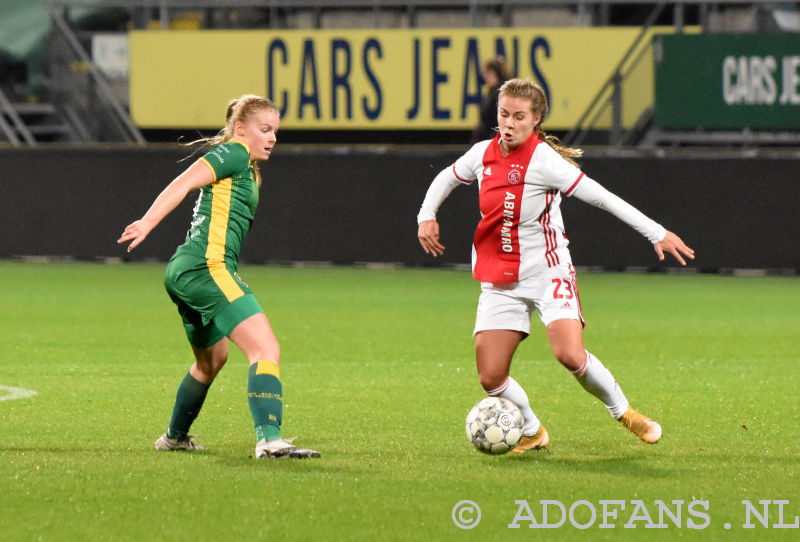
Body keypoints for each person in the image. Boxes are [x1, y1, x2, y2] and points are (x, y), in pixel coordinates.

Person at [417, 79, 694, 453]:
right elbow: (446, 178)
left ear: (536, 119)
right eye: (504, 115)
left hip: (548, 272)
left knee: (569, 354)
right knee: (491, 377)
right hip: (499, 278)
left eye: (519, 116)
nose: (509, 124)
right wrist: (426, 215)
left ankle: (625, 412)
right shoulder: (482, 154)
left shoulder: (544, 161)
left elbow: (602, 198)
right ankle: (532, 431)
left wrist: (656, 232)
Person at [117, 95, 319, 459]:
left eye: (275, 130)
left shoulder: (246, 166)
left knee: (210, 361)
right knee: (265, 348)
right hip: (206, 267)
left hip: (186, 271)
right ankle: (269, 439)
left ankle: (174, 437)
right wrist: (147, 222)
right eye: (264, 129)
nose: (272, 137)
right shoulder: (236, 152)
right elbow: (184, 181)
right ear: (240, 129)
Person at [470, 56, 511, 144]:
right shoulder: (492, 91)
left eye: (486, 74)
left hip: (496, 135)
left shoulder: (501, 92)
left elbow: (491, 116)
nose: (485, 78)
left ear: (492, 72)